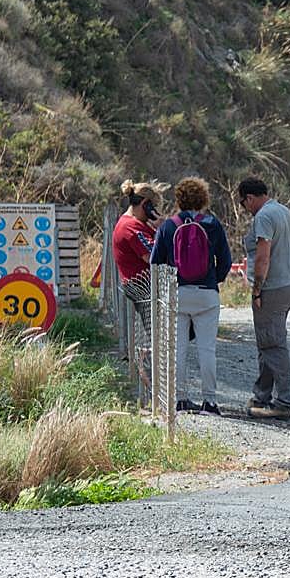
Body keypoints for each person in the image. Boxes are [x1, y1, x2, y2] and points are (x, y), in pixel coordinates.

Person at [150, 177, 232, 415]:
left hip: (178, 294)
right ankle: (210, 401)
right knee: (207, 350)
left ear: (179, 198)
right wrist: (210, 279)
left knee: (178, 349)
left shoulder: (168, 226)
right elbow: (225, 262)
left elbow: (155, 262)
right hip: (207, 295)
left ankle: (180, 399)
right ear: (203, 198)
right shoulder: (212, 224)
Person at [238, 177, 290, 419]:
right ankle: (261, 395)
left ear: (249, 198)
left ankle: (283, 402)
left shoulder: (263, 216)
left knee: (273, 345)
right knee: (268, 342)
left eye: (244, 203)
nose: (245, 208)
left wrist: (257, 290)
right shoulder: (283, 210)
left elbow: (263, 257)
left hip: (272, 288)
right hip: (289, 285)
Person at [111, 179, 169, 340]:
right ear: (145, 204)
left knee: (158, 332)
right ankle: (153, 362)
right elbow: (152, 256)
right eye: (153, 207)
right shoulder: (131, 227)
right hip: (141, 286)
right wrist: (160, 231)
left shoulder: (133, 223)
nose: (155, 211)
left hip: (142, 284)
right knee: (157, 334)